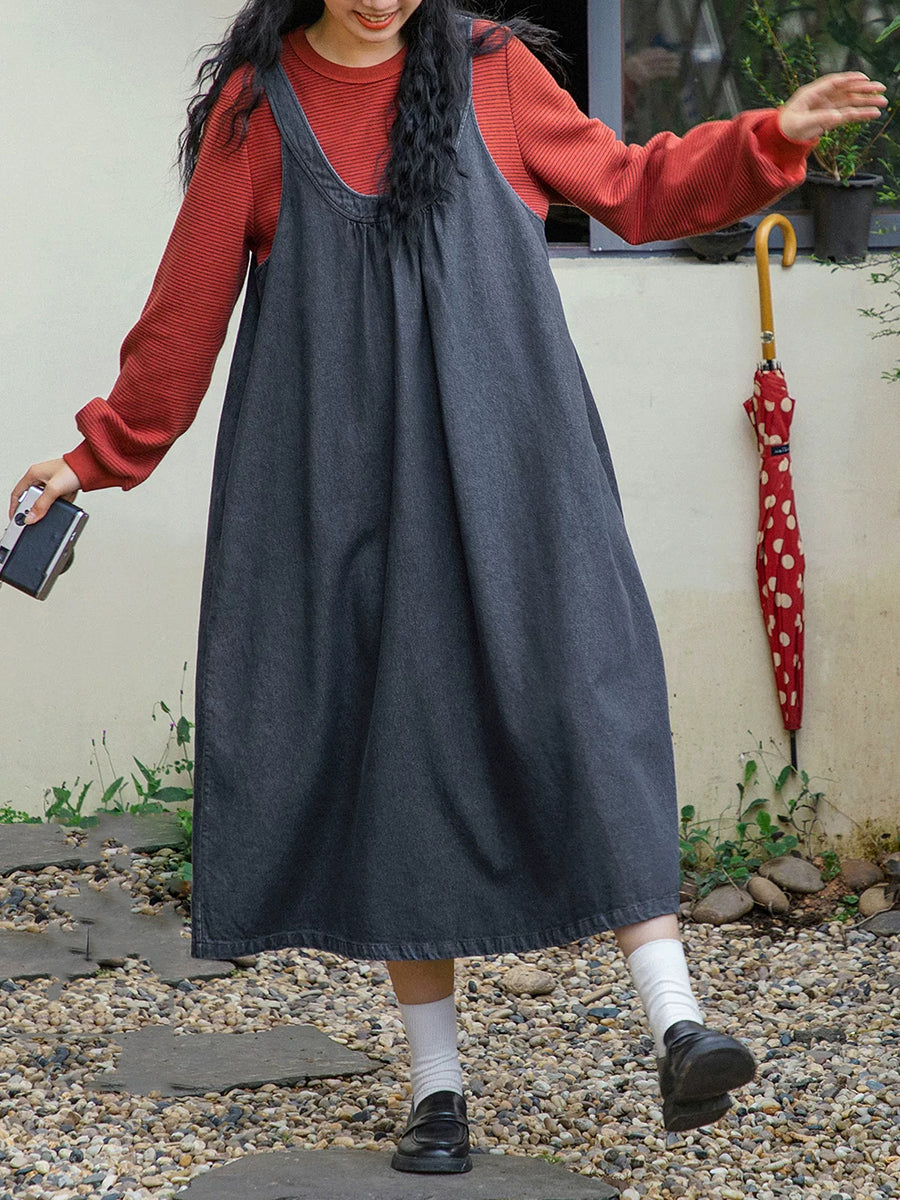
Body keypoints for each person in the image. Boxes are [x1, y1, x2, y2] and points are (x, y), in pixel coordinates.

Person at [11, 0, 886, 1177]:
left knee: (591, 698)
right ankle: (437, 1089)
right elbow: (186, 312)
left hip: (520, 465)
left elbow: (633, 189)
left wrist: (768, 135)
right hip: (347, 494)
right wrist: (96, 455)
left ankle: (678, 1023)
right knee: (398, 762)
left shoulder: (493, 72)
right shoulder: (258, 112)